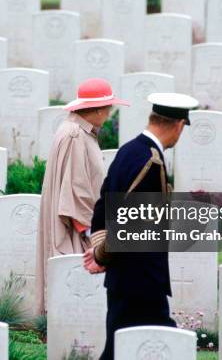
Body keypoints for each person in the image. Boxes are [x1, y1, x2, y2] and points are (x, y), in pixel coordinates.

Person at [83, 93, 199, 359]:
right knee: (163, 346)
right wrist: (102, 255)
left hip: (125, 277)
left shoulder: (129, 150)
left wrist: (101, 251)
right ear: (179, 125)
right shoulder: (151, 161)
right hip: (142, 279)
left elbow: (103, 204)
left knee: (119, 348)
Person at [34, 78, 130, 315]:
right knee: (76, 282)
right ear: (96, 110)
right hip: (78, 225)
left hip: (84, 220)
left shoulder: (79, 131)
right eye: (107, 107)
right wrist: (93, 231)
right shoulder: (75, 135)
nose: (109, 112)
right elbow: (76, 191)